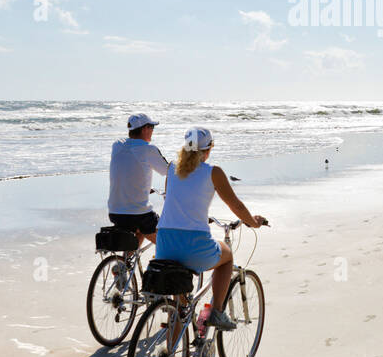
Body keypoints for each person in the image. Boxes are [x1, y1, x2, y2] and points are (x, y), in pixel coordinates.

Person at [157, 126, 265, 331]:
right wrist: (252, 222)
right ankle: (217, 312)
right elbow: (236, 206)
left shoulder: (171, 168)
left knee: (180, 306)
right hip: (192, 245)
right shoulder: (213, 172)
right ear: (208, 150)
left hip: (164, 243)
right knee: (227, 257)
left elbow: (175, 199)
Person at [107, 113, 170, 248]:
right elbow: (169, 171)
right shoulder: (149, 150)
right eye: (152, 127)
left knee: (139, 230)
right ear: (144, 129)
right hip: (138, 214)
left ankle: (124, 265)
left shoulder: (117, 145)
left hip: (115, 212)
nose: (153, 130)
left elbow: (130, 169)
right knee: (166, 241)